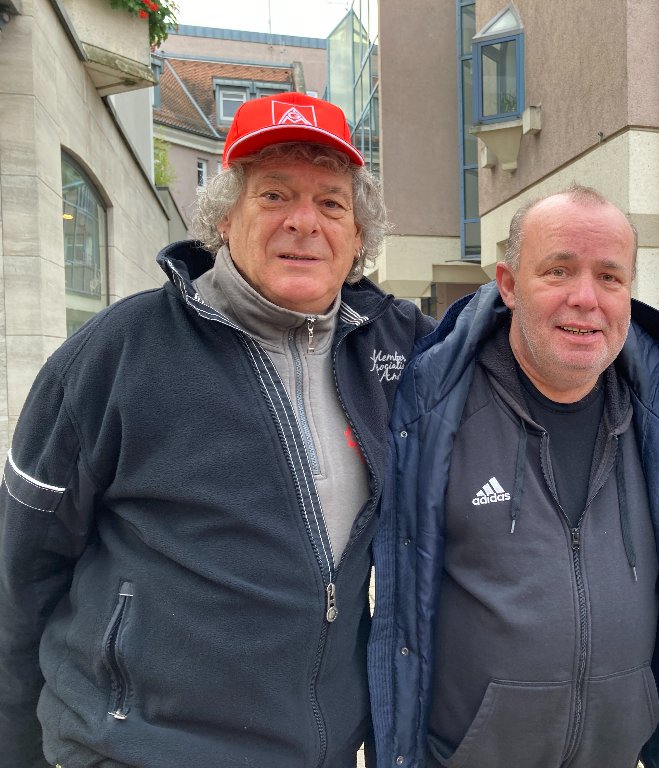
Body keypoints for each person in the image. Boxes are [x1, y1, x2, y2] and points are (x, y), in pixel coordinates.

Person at [0, 92, 434, 767]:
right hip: (137, 749)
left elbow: (523, 353)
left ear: (358, 237)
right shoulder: (117, 352)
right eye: (274, 195)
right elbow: (21, 575)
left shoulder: (398, 346)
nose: (303, 222)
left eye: (330, 203)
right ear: (225, 218)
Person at [367, 185, 659, 768]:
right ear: (508, 285)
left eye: (610, 277)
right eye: (558, 271)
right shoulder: (430, 415)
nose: (586, 298)